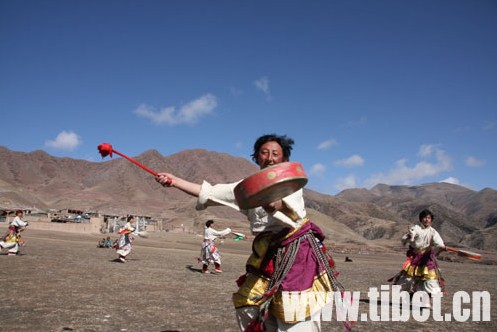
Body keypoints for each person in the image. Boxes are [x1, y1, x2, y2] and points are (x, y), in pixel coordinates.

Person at [156, 134, 347, 332]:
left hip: (296, 254)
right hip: (266, 255)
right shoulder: (245, 187)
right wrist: (174, 181)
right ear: (256, 157)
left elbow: (280, 204)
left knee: (294, 313)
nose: (270, 158)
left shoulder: (290, 184)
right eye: (264, 153)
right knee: (248, 305)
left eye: (275, 154)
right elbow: (210, 193)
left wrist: (270, 199)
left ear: (284, 160)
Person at [388, 209, 446, 307]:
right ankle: (409, 296)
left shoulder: (433, 232)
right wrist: (410, 236)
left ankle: (426, 302)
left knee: (430, 280)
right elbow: (406, 238)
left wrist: (441, 246)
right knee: (407, 280)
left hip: (427, 259)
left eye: (429, 218)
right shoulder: (416, 228)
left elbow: (439, 242)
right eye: (424, 218)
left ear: (431, 219)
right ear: (420, 219)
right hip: (415, 259)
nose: (426, 220)